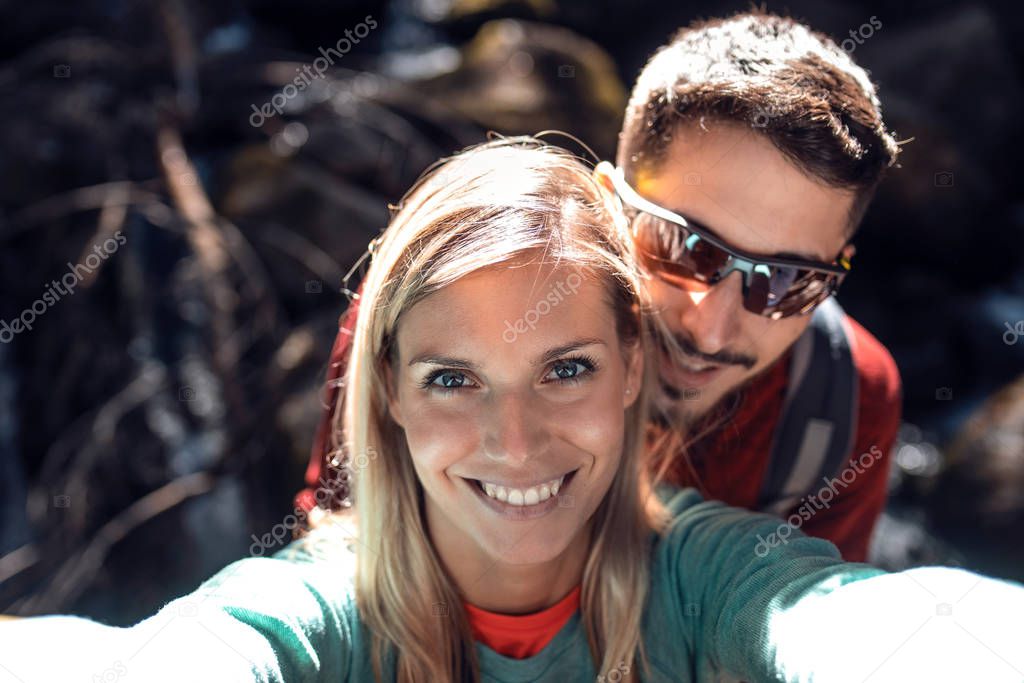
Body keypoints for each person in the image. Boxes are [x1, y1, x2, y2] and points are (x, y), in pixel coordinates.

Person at [2, 139, 1021, 683]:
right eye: (452, 377)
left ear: (634, 364)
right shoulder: (315, 611)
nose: (516, 437)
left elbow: (865, 627)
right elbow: (215, 645)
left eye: (565, 367)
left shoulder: (716, 579)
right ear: (386, 389)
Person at [299, 11, 901, 562]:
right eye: (683, 246)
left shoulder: (843, 404)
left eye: (788, 282)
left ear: (838, 268)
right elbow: (336, 551)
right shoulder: (433, 318)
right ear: (609, 204)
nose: (710, 329)